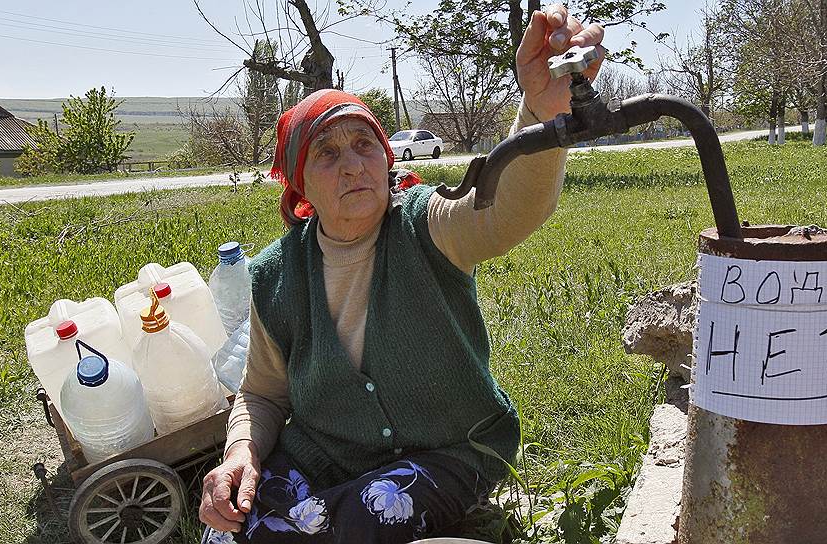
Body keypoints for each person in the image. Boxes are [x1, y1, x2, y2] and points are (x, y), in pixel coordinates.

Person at [200, 5, 604, 542]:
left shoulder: (424, 225)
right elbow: (263, 394)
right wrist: (240, 454)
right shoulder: (276, 273)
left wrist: (539, 111)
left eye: (365, 145)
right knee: (231, 523)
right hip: (329, 453)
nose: (352, 164)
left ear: (387, 160)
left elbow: (509, 210)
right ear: (300, 183)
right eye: (327, 153)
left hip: (450, 452)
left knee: (352, 519)